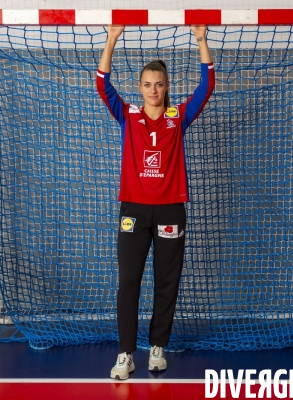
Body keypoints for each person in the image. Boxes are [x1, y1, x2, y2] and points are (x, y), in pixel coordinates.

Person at [96, 25, 215, 380]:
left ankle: (157, 348)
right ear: (141, 87)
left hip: (170, 210)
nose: (153, 90)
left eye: (159, 84)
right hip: (133, 210)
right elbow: (102, 84)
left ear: (166, 86)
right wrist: (112, 38)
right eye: (147, 84)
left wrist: (200, 39)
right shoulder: (128, 115)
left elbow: (207, 87)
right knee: (129, 280)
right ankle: (125, 354)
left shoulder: (178, 118)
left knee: (167, 281)